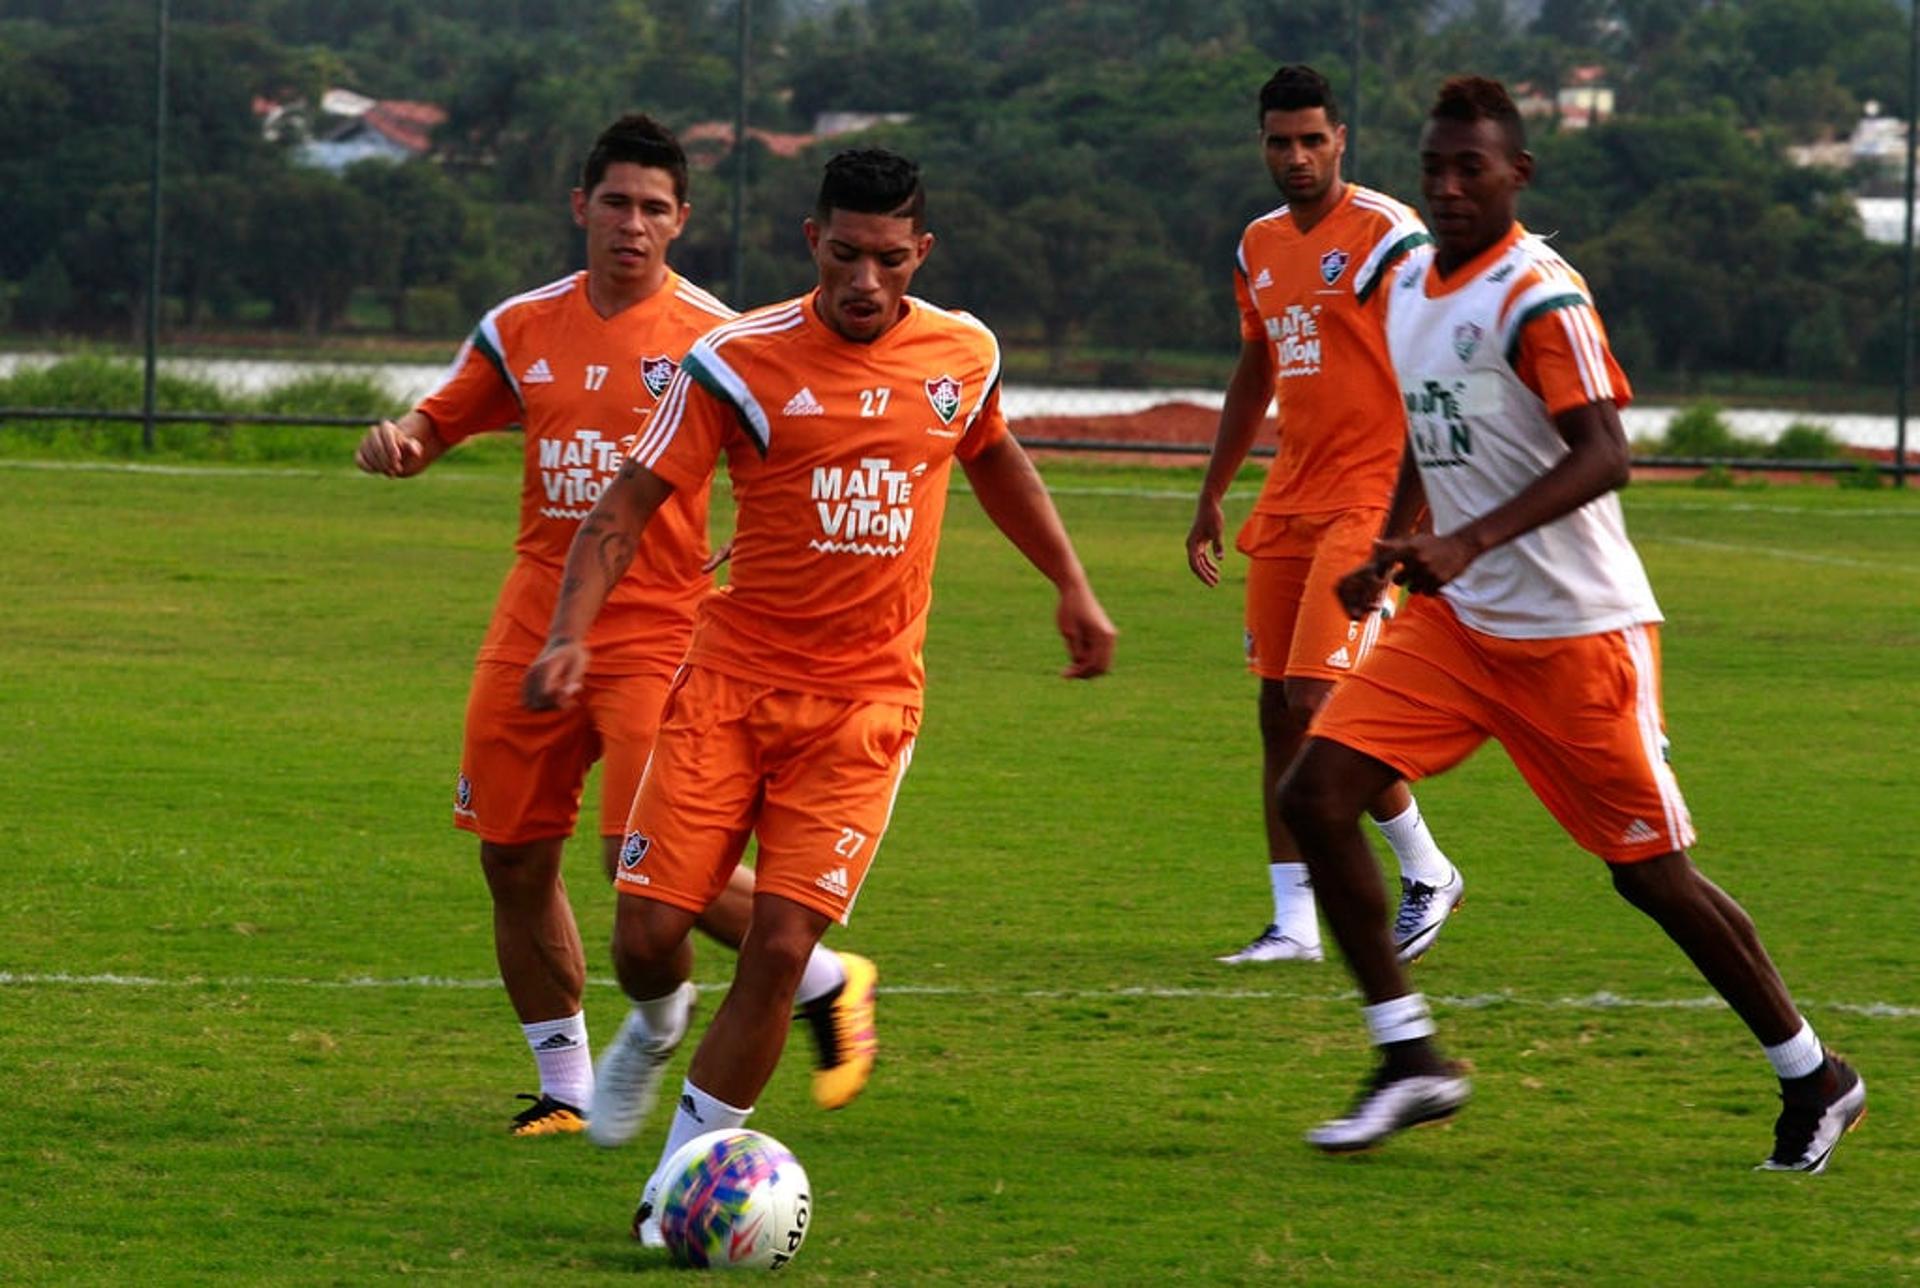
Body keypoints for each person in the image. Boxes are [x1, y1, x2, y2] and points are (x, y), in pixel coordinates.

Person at [523, 147, 1117, 1241]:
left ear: (920, 253)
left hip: (865, 707)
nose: (864, 281)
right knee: (647, 929)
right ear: (812, 241)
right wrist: (569, 633)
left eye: (889, 260)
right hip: (729, 686)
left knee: (784, 947)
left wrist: (1072, 585)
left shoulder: (963, 352)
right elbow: (626, 504)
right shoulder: (735, 361)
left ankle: (674, 1196)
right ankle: (654, 1028)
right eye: (844, 254)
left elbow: (994, 458)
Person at [1278, 75, 1866, 1170]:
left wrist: (1466, 541)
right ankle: (1410, 1057)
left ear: (1518, 175)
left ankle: (1815, 1074)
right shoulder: (1408, 285)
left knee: (1650, 875)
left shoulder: (1538, 294)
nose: (1449, 189)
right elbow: (1428, 429)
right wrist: (1391, 546)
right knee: (1314, 793)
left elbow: (1606, 451)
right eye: (1434, 170)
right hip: (1457, 632)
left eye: (1472, 169)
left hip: (1579, 635)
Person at [354, 114, 877, 1139]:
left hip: (663, 627)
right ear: (580, 208)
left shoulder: (718, 339)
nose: (630, 224)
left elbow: (784, 455)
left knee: (639, 864)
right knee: (510, 856)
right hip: (535, 621)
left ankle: (818, 976)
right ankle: (565, 1087)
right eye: (615, 203)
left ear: (681, 220)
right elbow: (442, 415)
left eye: (653, 207)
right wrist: (403, 442)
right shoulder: (520, 326)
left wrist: (760, 544)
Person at [1186, 64, 1463, 967]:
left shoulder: (1389, 236)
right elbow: (1255, 370)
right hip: (1291, 496)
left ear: (1341, 139)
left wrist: (1416, 514)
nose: (1295, 156)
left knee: (1320, 700)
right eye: (1279, 141)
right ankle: (1293, 924)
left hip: (1369, 497)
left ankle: (1427, 871)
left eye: (1312, 139)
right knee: (1276, 710)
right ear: (1261, 144)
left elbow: (1438, 364)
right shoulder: (1257, 245)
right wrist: (1213, 491)